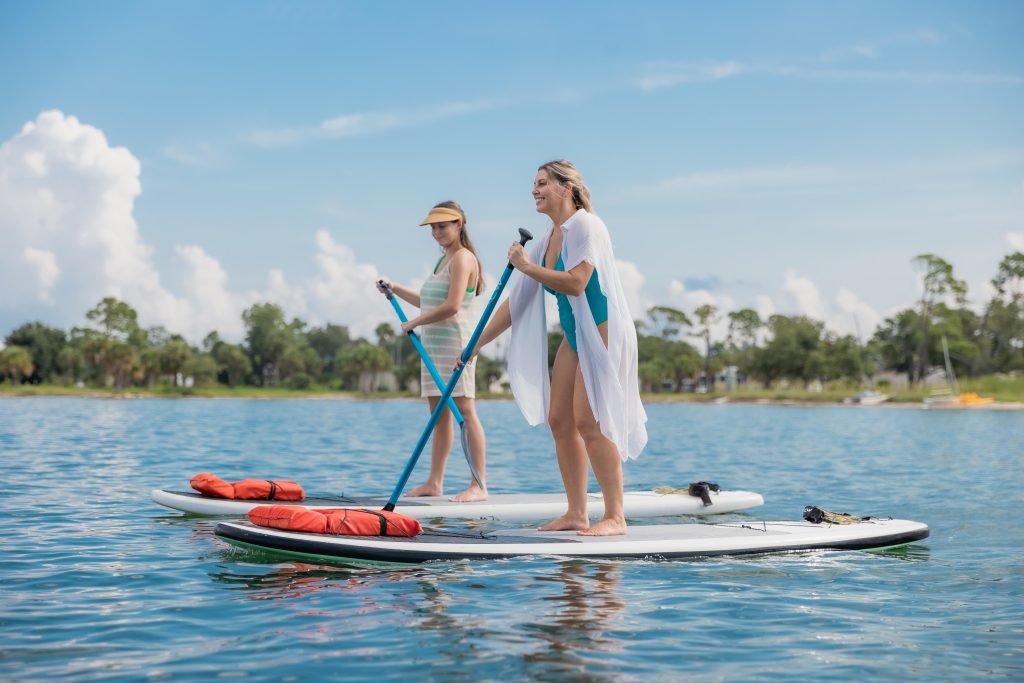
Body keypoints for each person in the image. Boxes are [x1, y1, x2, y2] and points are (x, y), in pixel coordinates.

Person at [469, 160, 647, 536]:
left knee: (588, 421)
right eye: (533, 184)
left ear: (567, 188)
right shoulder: (549, 239)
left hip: (604, 331)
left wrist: (524, 266)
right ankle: (577, 513)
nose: (534, 190)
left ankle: (615, 516)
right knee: (560, 421)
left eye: (542, 183)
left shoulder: (585, 224)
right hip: (575, 335)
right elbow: (515, 305)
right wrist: (475, 346)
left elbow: (578, 282)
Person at [377, 201, 488, 502]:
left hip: (456, 345)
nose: (437, 232)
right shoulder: (442, 261)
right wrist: (395, 289)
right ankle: (434, 482)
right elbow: (429, 302)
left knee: (465, 411)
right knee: (438, 416)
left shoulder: (463, 259)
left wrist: (415, 322)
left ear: (459, 224)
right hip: (433, 347)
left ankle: (479, 484)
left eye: (442, 226)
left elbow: (452, 306)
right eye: (433, 227)